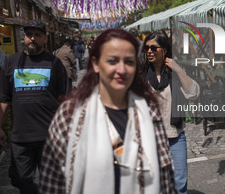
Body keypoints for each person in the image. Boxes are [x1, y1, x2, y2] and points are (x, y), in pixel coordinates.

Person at [39, 29, 177, 194]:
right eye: (112, 61)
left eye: (129, 61)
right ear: (96, 64)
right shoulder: (70, 114)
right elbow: (52, 182)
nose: (121, 69)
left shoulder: (148, 111)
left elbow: (165, 174)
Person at [0, 20, 68, 194]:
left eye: (37, 35)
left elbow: (64, 99)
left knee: (53, 183)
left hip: (49, 136)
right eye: (29, 35)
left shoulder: (55, 64)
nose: (32, 38)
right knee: (19, 178)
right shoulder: (11, 62)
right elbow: (3, 98)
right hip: (21, 137)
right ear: (24, 37)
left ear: (45, 39)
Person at [143, 31, 200, 194]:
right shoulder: (141, 75)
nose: (149, 51)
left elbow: (194, 93)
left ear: (164, 50)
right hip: (150, 138)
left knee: (180, 183)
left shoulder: (174, 74)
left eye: (154, 48)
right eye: (147, 48)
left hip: (175, 136)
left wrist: (179, 70)